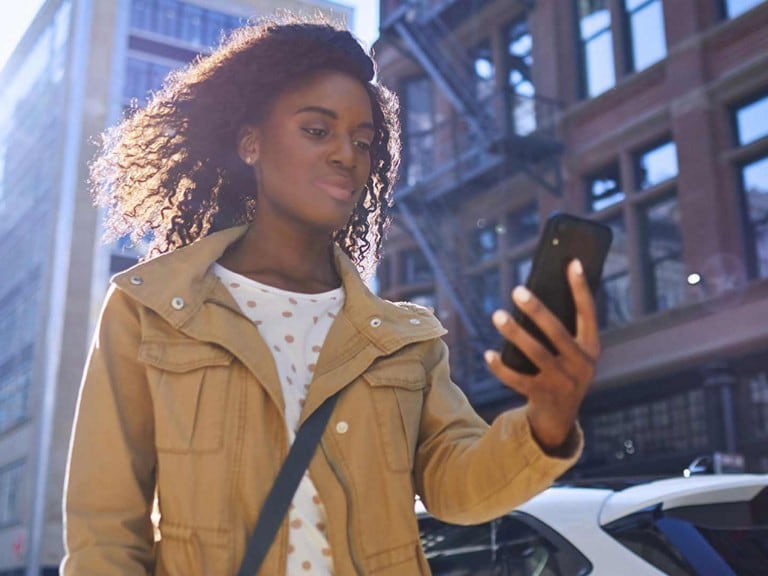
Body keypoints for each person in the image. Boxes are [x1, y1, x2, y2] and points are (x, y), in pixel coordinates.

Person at [61, 14, 600, 576]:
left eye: (362, 141)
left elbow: (457, 489)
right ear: (251, 142)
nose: (347, 154)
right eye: (317, 131)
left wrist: (546, 421)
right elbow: (105, 533)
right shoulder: (149, 311)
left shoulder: (402, 339)